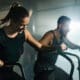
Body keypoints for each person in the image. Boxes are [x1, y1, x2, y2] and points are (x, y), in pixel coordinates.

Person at [0, 2, 42, 80]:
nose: (24, 28)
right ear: (13, 21)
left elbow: (41, 46)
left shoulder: (24, 33)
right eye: (22, 25)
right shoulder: (1, 35)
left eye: (26, 25)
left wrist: (56, 47)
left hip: (8, 71)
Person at [34, 16, 80, 80]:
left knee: (69, 78)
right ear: (60, 26)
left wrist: (79, 47)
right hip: (43, 69)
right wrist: (57, 47)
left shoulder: (62, 36)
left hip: (52, 67)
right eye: (67, 26)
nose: (69, 29)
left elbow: (71, 45)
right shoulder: (50, 34)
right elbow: (38, 47)